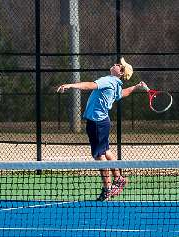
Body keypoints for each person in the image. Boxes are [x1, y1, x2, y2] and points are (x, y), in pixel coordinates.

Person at [57, 58, 144, 201]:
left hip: (97, 123)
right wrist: (136, 87)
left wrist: (71, 85)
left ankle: (107, 188)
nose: (116, 64)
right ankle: (119, 178)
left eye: (119, 65)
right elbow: (122, 94)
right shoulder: (116, 84)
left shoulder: (109, 80)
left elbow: (90, 85)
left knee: (99, 156)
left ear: (121, 72)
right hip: (103, 122)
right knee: (106, 151)